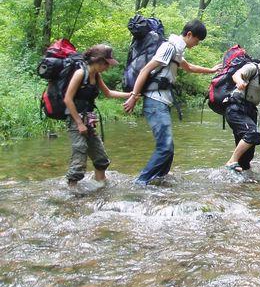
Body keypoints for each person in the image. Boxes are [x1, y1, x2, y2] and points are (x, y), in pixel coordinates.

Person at [123, 19, 220, 185]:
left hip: (162, 102)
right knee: (165, 148)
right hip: (155, 102)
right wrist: (133, 96)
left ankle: (160, 180)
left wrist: (211, 70)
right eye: (197, 40)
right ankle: (140, 183)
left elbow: (188, 67)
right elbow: (146, 69)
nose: (196, 44)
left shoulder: (177, 50)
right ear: (189, 35)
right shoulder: (170, 47)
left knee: (169, 149)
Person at [63, 45, 131, 186]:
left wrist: (131, 94)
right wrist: (79, 123)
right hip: (76, 120)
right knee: (80, 151)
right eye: (107, 63)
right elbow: (67, 99)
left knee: (100, 154)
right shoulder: (80, 74)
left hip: (89, 119)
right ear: (98, 61)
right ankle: (72, 189)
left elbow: (109, 93)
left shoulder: (96, 75)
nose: (108, 67)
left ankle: (100, 183)